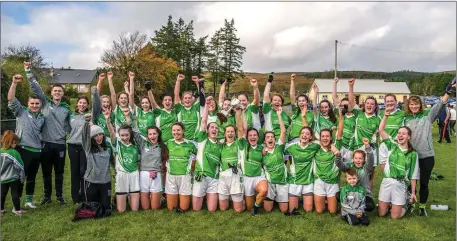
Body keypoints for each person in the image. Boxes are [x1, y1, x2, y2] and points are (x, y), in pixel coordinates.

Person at [403, 81, 455, 216]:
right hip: (410, 155)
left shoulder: (428, 116)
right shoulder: (405, 119)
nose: (414, 106)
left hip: (427, 155)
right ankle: (410, 204)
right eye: (412, 104)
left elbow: (439, 105)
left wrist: (447, 93)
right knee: (408, 183)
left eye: (416, 104)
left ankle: (422, 207)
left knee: (424, 183)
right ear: (409, 105)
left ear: (420, 105)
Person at [26, 61, 71, 205]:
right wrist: (28, 71)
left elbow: (71, 126)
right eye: (55, 91)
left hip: (60, 145)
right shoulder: (45, 104)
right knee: (46, 173)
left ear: (63, 93)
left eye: (60, 91)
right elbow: (36, 88)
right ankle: (47, 197)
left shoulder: (66, 109)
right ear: (51, 93)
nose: (57, 92)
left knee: (59, 173)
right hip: (45, 143)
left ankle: (59, 196)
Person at [7, 73, 44, 209]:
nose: (34, 105)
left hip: (37, 151)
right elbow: (11, 99)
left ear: (40, 105)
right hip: (23, 150)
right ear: (28, 104)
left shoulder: (41, 117)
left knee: (32, 178)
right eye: (32, 103)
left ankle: (29, 201)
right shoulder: (21, 112)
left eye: (37, 104)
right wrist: (14, 83)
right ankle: (17, 203)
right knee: (20, 177)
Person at [378, 107, 419, 219]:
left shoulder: (413, 154)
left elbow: (413, 175)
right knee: (381, 214)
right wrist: (386, 115)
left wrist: (413, 193)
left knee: (394, 217)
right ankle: (391, 204)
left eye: (404, 134)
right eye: (399, 133)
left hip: (400, 185)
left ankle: (407, 206)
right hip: (386, 182)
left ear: (409, 137)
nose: (400, 135)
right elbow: (381, 130)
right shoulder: (392, 145)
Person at [335, 108, 375, 212]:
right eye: (356, 158)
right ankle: (349, 207)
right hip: (351, 192)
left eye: (360, 159)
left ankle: (358, 208)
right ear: (353, 159)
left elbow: (370, 157)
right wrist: (338, 156)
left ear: (363, 160)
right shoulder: (349, 165)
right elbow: (339, 165)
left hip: (363, 193)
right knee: (337, 195)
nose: (358, 160)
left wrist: (367, 147)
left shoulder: (367, 167)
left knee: (370, 206)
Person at [347, 79, 381, 192]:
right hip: (358, 148)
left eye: (372, 104)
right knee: (356, 174)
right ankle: (356, 196)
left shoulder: (378, 119)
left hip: (371, 150)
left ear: (375, 107)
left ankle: (368, 196)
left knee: (370, 175)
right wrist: (351, 86)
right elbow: (351, 102)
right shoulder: (359, 113)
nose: (369, 105)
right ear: (364, 105)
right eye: (368, 103)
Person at [81, 104, 113, 217]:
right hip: (92, 181)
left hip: (105, 181)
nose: (99, 137)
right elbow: (84, 136)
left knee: (106, 210)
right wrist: (86, 122)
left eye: (101, 135)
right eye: (96, 135)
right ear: (92, 138)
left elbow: (113, 161)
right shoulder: (88, 148)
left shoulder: (107, 148)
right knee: (91, 208)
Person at [192, 97, 221, 212]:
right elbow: (204, 122)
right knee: (196, 208)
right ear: (208, 131)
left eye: (216, 128)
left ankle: (206, 196)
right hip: (201, 175)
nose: (214, 129)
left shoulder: (220, 144)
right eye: (212, 128)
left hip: (214, 178)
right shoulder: (202, 139)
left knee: (212, 209)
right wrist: (207, 108)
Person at [284, 126, 320, 215]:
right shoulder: (291, 147)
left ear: (311, 137)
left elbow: (326, 144)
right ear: (299, 135)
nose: (305, 135)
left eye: (307, 134)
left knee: (308, 210)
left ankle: (303, 198)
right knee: (292, 209)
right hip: (294, 180)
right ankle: (299, 198)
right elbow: (282, 154)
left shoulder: (315, 146)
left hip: (308, 181)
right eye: (302, 133)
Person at [107, 122, 140, 213]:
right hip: (121, 175)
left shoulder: (136, 146)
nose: (124, 138)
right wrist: (108, 120)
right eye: (122, 135)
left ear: (130, 135)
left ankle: (130, 195)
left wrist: (138, 171)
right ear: (119, 135)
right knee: (121, 210)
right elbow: (111, 132)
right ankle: (122, 197)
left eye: (127, 135)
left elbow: (139, 161)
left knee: (135, 209)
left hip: (134, 175)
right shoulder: (117, 144)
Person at [133, 126, 168, 210]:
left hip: (156, 175)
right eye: (150, 134)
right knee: (145, 208)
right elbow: (135, 133)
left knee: (155, 207)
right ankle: (150, 195)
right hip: (144, 175)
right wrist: (128, 117)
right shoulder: (143, 144)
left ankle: (159, 197)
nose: (152, 136)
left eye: (154, 134)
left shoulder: (163, 146)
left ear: (158, 134)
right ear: (147, 136)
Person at [218, 106, 246, 213]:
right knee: (223, 208)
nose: (230, 133)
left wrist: (238, 114)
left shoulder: (239, 143)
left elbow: (240, 129)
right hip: (223, 176)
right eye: (228, 132)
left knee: (238, 210)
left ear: (235, 134)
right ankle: (230, 197)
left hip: (235, 175)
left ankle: (240, 200)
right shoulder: (221, 145)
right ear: (224, 134)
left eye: (232, 132)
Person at [165, 122, 197, 213]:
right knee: (171, 208)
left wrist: (192, 170)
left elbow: (197, 158)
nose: (176, 132)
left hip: (185, 176)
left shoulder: (190, 144)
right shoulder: (168, 143)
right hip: (171, 176)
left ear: (183, 131)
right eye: (174, 130)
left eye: (178, 130)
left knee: (184, 208)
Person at [262, 106, 289, 214]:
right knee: (267, 209)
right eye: (267, 137)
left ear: (274, 139)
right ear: (264, 140)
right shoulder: (262, 151)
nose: (270, 138)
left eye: (272, 137)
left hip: (282, 182)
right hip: (270, 182)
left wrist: (279, 115)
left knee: (284, 210)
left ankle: (280, 198)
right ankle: (273, 197)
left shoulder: (279, 147)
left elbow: (283, 132)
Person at [67, 95, 92, 204]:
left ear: (87, 105)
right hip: (72, 146)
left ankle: (84, 195)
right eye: (80, 102)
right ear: (77, 103)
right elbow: (68, 129)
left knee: (83, 171)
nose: (82, 105)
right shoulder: (71, 115)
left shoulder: (89, 116)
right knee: (75, 172)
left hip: (84, 146)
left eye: (84, 103)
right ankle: (75, 197)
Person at [241, 122, 268, 216]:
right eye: (250, 135)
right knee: (249, 207)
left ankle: (256, 207)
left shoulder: (262, 148)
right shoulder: (244, 145)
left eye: (255, 135)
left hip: (259, 177)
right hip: (247, 178)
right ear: (247, 137)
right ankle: (251, 200)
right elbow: (242, 129)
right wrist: (240, 112)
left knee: (264, 190)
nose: (253, 137)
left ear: (258, 137)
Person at [313, 129, 340, 214]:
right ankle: (324, 199)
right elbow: (309, 134)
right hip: (319, 181)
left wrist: (341, 117)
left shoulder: (336, 146)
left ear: (331, 138)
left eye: (327, 136)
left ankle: (329, 199)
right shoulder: (315, 148)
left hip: (332, 182)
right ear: (319, 138)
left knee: (332, 211)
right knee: (319, 211)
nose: (325, 138)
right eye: (323, 136)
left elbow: (340, 133)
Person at [1, 131, 26, 215]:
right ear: (12, 142)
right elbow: (20, 166)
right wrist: (22, 177)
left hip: (2, 178)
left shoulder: (1, 151)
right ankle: (17, 210)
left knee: (2, 194)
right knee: (15, 194)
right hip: (13, 177)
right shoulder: (14, 153)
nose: (16, 144)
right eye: (15, 142)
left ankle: (1, 209)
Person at [332, 77, 356, 161]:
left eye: (346, 105)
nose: (344, 107)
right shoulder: (341, 113)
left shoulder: (355, 115)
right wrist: (335, 83)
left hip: (350, 145)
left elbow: (352, 101)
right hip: (340, 143)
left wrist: (350, 86)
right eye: (342, 105)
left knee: (348, 167)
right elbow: (334, 98)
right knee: (337, 165)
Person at [174, 75, 205, 140]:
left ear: (192, 99)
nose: (187, 100)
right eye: (185, 98)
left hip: (195, 140)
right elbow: (176, 95)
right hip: (183, 140)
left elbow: (201, 95)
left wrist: (197, 82)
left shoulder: (196, 107)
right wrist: (178, 81)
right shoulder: (179, 108)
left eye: (189, 98)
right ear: (182, 100)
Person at [262, 73, 292, 142]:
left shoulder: (286, 115)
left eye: (279, 100)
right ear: (271, 102)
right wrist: (269, 81)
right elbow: (266, 96)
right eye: (275, 100)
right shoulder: (268, 111)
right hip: (272, 143)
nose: (277, 102)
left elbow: (290, 129)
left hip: (285, 143)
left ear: (282, 103)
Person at [288, 74, 314, 143]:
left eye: (303, 101)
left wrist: (303, 116)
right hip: (292, 140)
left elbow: (308, 129)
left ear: (307, 102)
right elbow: (292, 95)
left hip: (304, 140)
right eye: (299, 101)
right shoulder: (296, 111)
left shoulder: (312, 114)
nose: (301, 103)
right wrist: (292, 80)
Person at [236, 78, 262, 143]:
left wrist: (255, 87)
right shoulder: (237, 112)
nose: (241, 102)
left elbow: (256, 99)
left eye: (244, 100)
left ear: (247, 101)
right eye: (239, 101)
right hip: (244, 141)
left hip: (257, 140)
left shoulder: (252, 108)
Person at [94, 73, 115, 143]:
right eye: (104, 102)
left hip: (109, 139)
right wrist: (100, 80)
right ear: (100, 103)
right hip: (97, 138)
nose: (106, 104)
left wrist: (109, 79)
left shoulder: (112, 113)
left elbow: (113, 95)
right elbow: (96, 95)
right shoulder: (96, 112)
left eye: (107, 102)